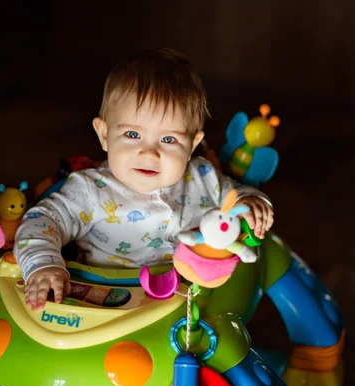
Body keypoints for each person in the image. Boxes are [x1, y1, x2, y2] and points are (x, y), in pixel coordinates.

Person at [14, 48, 274, 311]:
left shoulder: (203, 177)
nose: (149, 153)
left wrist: (252, 204)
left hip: (185, 302)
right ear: (104, 134)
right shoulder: (90, 191)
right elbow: (42, 220)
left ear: (192, 144)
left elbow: (238, 198)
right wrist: (44, 264)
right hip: (105, 303)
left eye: (168, 139)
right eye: (132, 135)